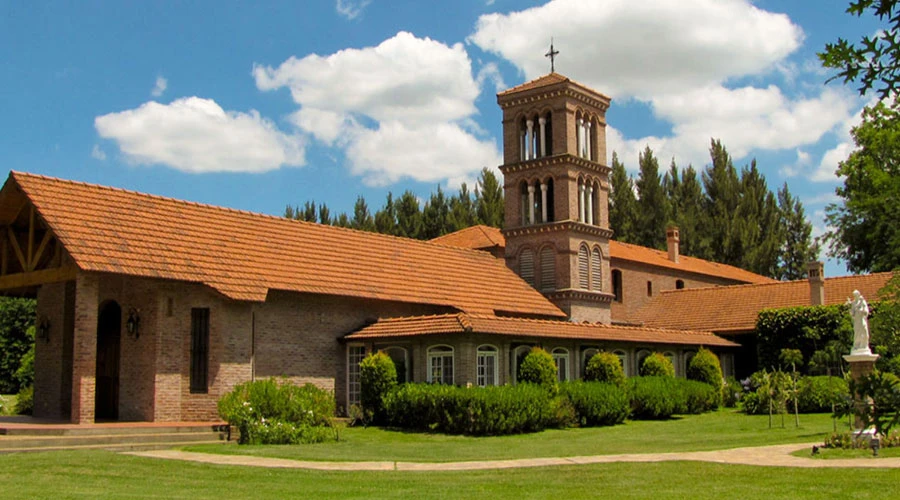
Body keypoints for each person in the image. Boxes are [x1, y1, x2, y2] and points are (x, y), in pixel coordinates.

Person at [848, 290, 871, 355]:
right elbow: (852, 312)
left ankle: (863, 344)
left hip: (862, 319)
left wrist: (863, 310)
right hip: (856, 320)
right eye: (854, 296)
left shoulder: (862, 301)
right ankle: (857, 345)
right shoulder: (853, 303)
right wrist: (851, 313)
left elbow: (866, 311)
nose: (855, 297)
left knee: (864, 329)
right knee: (857, 332)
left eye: (856, 295)